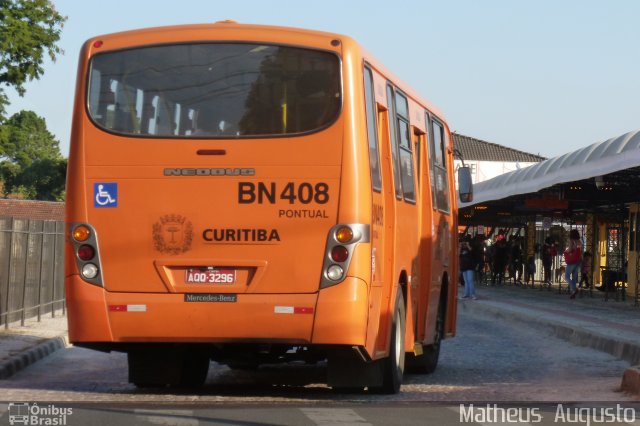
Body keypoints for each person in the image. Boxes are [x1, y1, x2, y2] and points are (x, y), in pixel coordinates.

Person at [564, 229, 582, 299]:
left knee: (567, 276)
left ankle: (574, 289)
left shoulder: (572, 241)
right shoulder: (579, 242)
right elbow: (580, 252)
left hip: (572, 261)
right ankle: (573, 293)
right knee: (574, 278)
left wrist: (566, 251)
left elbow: (570, 250)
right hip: (578, 261)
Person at [459, 236, 477, 300]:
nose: (464, 243)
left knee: (470, 280)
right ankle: (466, 294)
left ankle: (473, 294)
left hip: (470, 266)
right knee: (466, 281)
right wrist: (460, 246)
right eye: (463, 242)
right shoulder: (461, 249)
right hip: (463, 266)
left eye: (465, 241)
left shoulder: (470, 247)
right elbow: (458, 254)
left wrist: (468, 245)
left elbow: (472, 251)